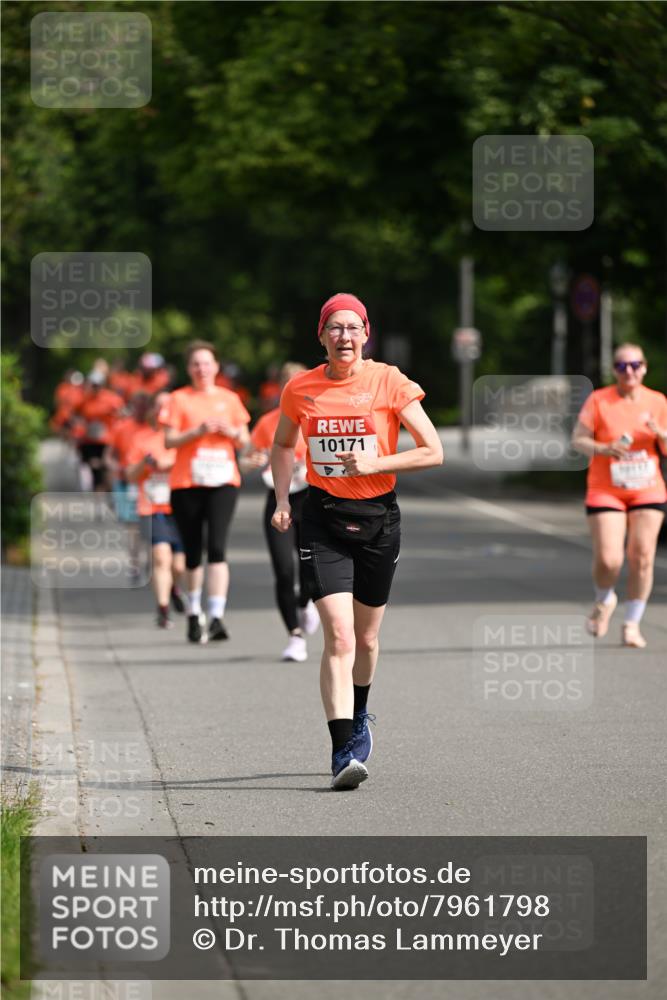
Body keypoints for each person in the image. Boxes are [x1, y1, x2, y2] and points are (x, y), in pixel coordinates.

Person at [271, 293, 443, 789]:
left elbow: (433, 451)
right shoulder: (300, 388)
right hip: (322, 517)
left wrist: (375, 463)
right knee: (340, 636)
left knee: (367, 638)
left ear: (366, 333)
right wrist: (284, 499)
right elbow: (283, 445)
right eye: (334, 328)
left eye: (352, 328)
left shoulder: (389, 381)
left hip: (377, 519)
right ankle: (342, 748)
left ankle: (360, 710)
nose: (344, 337)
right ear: (320, 335)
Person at [572, 342, 667, 648]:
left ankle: (632, 624)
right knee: (609, 559)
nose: (629, 371)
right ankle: (604, 600)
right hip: (606, 489)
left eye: (635, 365)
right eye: (623, 366)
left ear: (644, 368)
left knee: (642, 557)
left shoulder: (658, 402)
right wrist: (603, 448)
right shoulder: (599, 400)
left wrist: (662, 434)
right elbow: (578, 440)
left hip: (647, 488)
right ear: (614, 370)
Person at [162, 341, 251, 643]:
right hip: (187, 482)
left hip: (223, 481)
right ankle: (193, 612)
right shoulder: (178, 399)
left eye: (207, 363)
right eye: (196, 364)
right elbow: (170, 440)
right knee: (192, 552)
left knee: (217, 548)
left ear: (216, 367)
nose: (202, 369)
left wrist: (230, 432)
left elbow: (245, 441)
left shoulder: (230, 398)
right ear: (189, 369)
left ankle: (216, 616)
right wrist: (197, 431)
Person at [240, 363, 319, 662]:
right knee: (284, 571)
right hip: (278, 501)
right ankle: (295, 636)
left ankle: (305, 602)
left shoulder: (317, 419)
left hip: (311, 500)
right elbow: (244, 460)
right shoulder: (268, 422)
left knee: (310, 568)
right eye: (288, 384)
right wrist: (255, 459)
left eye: (300, 383)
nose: (294, 389)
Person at [126, 394, 186, 628]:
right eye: (159, 406)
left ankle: (173, 587)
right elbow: (131, 475)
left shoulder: (180, 436)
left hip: (180, 504)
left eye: (167, 406)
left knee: (179, 565)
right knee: (161, 558)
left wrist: (170, 465)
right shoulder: (140, 438)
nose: (163, 411)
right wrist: (146, 464)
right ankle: (162, 610)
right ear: (152, 410)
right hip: (151, 506)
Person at [75, 371, 124, 491]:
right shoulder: (85, 399)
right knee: (92, 468)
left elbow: (122, 414)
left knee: (106, 466)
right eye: (93, 385)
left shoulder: (111, 399)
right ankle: (96, 492)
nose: (95, 387)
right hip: (89, 440)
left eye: (97, 385)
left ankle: (110, 491)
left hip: (106, 440)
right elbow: (76, 415)